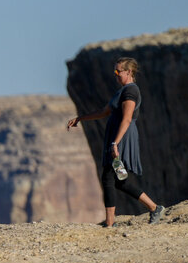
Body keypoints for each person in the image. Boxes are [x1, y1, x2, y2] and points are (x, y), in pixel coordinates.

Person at [67, 56, 165, 227]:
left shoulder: (131, 91)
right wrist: (80, 118)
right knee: (120, 181)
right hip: (116, 137)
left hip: (123, 137)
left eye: (118, 71)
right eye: (115, 71)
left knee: (108, 176)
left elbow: (126, 119)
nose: (115, 74)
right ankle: (154, 207)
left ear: (128, 72)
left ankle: (110, 223)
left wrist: (115, 143)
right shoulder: (121, 91)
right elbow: (104, 111)